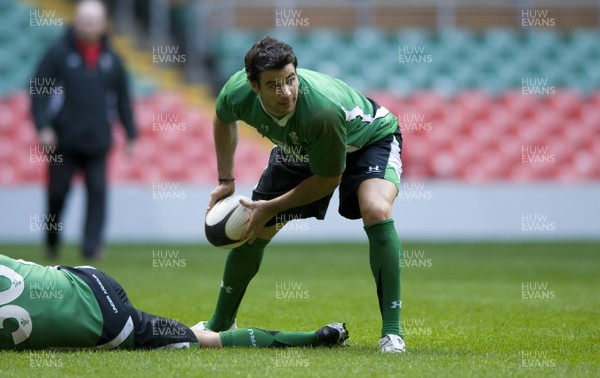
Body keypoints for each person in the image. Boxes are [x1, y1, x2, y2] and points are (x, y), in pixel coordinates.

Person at [202, 37, 406, 353]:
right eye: (273, 85)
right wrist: (226, 181)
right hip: (302, 150)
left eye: (291, 80)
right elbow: (222, 119)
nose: (285, 92)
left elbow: (327, 179)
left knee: (376, 209)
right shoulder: (236, 93)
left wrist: (271, 206)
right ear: (254, 86)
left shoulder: (320, 110)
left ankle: (392, 334)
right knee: (254, 228)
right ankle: (219, 323)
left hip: (368, 141)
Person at [0, 253, 348, 350]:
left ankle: (314, 337)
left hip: (112, 326)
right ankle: (189, 330)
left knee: (204, 341)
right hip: (89, 279)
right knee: (188, 335)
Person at [30, 0, 136, 261]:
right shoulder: (58, 53)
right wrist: (43, 126)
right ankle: (52, 242)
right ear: (76, 22)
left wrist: (131, 135)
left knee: (98, 195)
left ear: (102, 24)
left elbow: (123, 99)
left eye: (93, 21)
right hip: (63, 142)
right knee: (56, 195)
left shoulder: (112, 59)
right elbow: (38, 91)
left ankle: (91, 249)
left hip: (98, 141)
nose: (88, 25)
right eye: (83, 20)